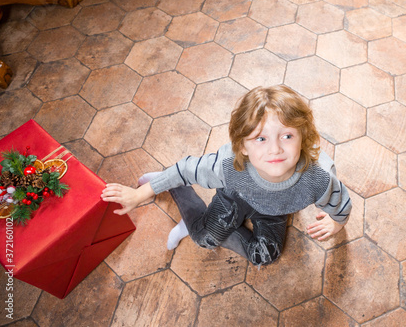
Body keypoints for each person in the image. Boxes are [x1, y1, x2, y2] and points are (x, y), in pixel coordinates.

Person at [101, 85, 351, 266]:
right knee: (204, 238)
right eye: (261, 139)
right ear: (242, 146)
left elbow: (341, 203)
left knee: (265, 256)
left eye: (286, 136)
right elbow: (185, 169)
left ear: (302, 139)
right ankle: (181, 194)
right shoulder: (229, 166)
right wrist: (140, 193)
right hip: (237, 195)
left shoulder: (317, 178)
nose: (275, 148)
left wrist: (337, 224)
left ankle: (206, 220)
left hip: (274, 211)